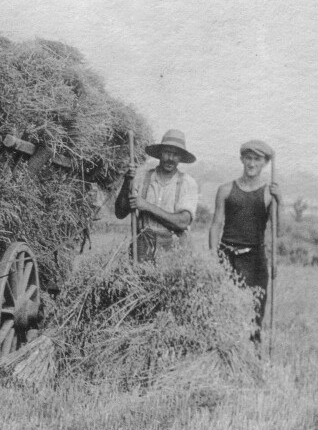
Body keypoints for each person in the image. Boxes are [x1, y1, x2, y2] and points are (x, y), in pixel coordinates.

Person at [209, 139, 280, 348]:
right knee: (224, 315)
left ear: (264, 163)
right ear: (242, 159)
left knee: (254, 317)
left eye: (257, 159)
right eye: (248, 158)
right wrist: (213, 259)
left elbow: (278, 229)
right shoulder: (225, 190)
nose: (251, 163)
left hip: (255, 260)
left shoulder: (269, 194)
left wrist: (280, 201)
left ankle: (254, 366)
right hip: (227, 258)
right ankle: (224, 365)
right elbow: (215, 226)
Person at [114, 128, 199, 262]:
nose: (170, 159)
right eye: (167, 153)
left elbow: (182, 222)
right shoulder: (142, 177)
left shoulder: (187, 183)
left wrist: (147, 206)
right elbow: (120, 212)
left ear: (180, 158)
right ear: (160, 153)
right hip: (143, 249)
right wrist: (127, 181)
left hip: (174, 253)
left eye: (175, 154)